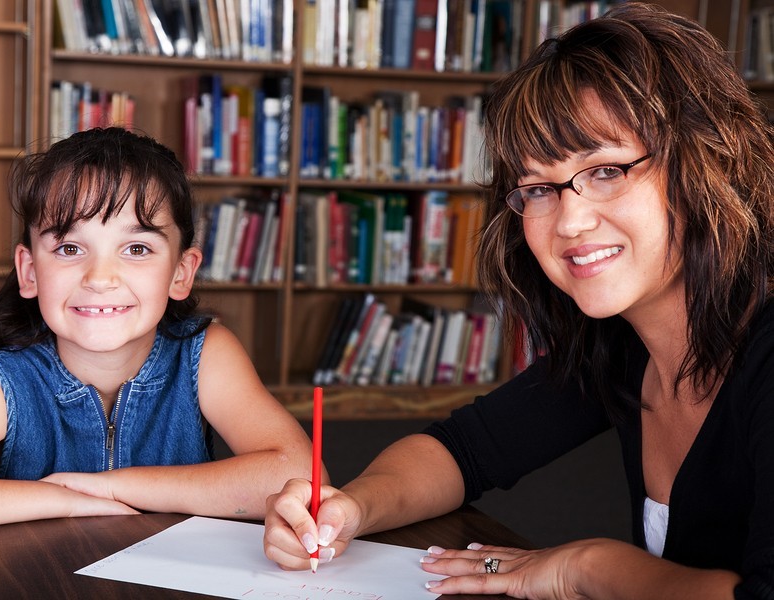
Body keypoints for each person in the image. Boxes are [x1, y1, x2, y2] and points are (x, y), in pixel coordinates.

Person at [263, 3, 774, 598]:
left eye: (606, 170)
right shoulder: (626, 345)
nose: (570, 222)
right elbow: (463, 450)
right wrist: (349, 510)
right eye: (538, 188)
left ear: (709, 161)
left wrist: (582, 567)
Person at [0, 127, 315, 535]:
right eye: (69, 248)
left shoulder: (206, 353)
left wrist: (109, 488)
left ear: (181, 273)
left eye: (137, 248)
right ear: (29, 272)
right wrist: (59, 501)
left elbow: (300, 475)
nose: (100, 278)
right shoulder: (1, 381)